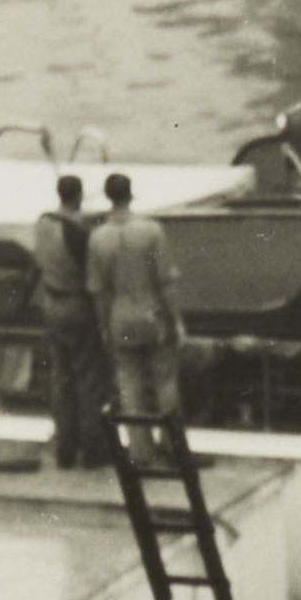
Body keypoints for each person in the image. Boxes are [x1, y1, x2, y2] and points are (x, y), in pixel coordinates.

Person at [85, 172, 182, 464]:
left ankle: (140, 452)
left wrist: (104, 327)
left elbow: (98, 291)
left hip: (119, 317)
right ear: (131, 194)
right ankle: (173, 446)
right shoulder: (151, 231)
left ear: (108, 196)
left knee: (129, 385)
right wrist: (175, 319)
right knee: (165, 381)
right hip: (151, 314)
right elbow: (166, 281)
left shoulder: (98, 238)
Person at [31, 173, 104, 471]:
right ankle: (91, 448)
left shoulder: (42, 223)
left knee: (60, 379)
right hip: (76, 305)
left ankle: (65, 446)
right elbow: (91, 271)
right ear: (80, 196)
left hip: (51, 304)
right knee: (87, 378)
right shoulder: (77, 232)